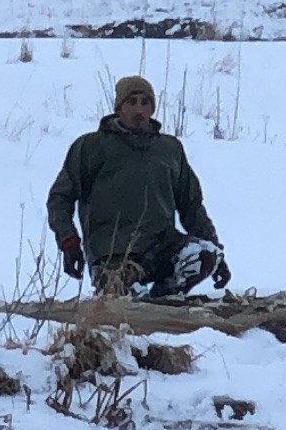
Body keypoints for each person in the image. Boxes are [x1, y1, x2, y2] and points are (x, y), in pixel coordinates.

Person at [47, 74, 229, 299]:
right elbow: (60, 198)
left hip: (161, 247)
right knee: (122, 308)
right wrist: (69, 242)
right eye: (131, 102)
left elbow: (191, 206)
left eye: (145, 102)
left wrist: (216, 255)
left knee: (202, 256)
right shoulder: (91, 147)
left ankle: (165, 301)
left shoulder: (169, 150)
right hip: (113, 253)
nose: (139, 110)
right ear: (118, 108)